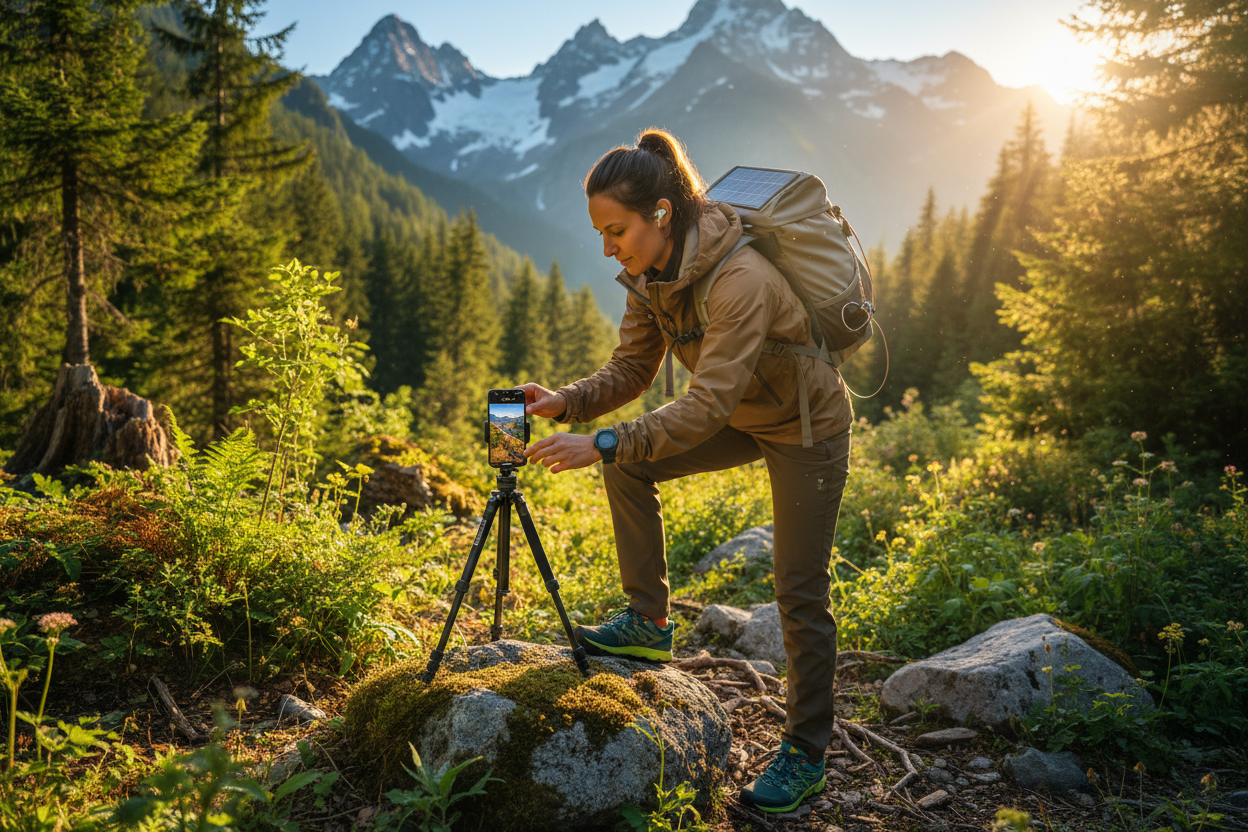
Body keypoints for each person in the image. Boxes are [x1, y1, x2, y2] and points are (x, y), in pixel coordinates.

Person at [520, 128, 852, 814]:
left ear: (661, 215)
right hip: (739, 409)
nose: (609, 248)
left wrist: (604, 441)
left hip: (804, 425)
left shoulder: (742, 279)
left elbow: (702, 410)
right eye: (602, 234)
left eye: (617, 231)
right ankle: (649, 621)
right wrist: (566, 403)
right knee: (630, 465)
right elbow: (633, 369)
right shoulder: (650, 275)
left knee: (798, 587)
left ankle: (807, 753)